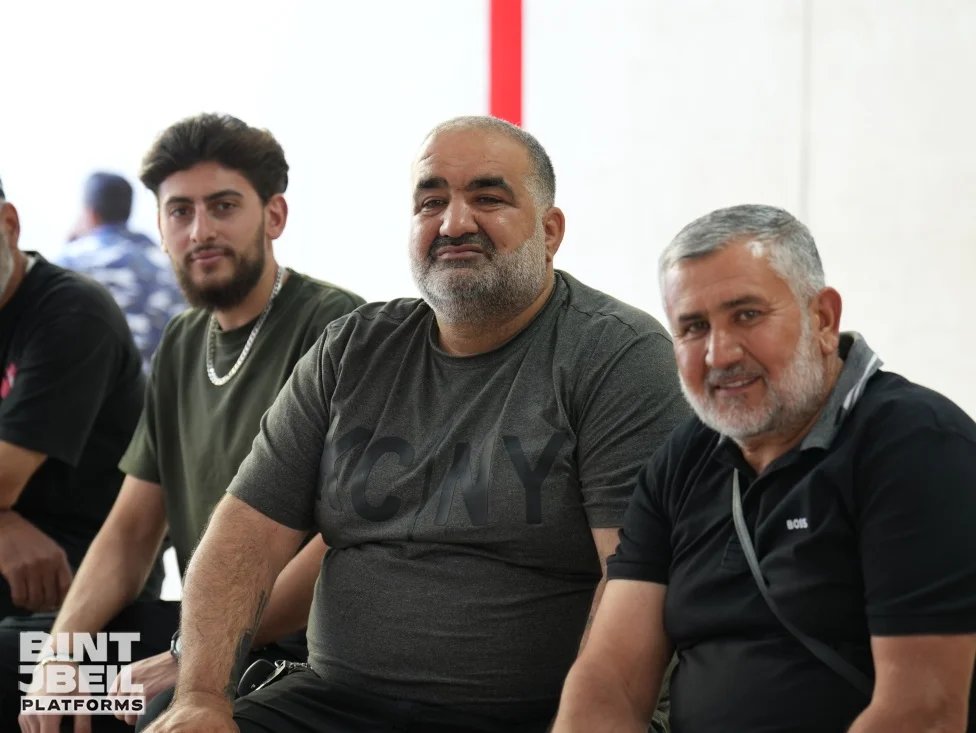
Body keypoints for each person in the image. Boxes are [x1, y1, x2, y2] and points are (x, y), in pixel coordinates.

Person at [142, 115, 689, 733]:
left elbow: (636, 579)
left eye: (488, 198)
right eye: (431, 202)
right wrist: (201, 694)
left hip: (533, 717)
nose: (453, 223)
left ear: (549, 230)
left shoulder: (617, 355)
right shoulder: (351, 349)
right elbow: (246, 533)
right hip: (335, 703)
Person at [553, 204, 976, 733]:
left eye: (747, 315)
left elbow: (923, 711)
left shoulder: (917, 446)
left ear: (823, 319)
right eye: (693, 327)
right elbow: (610, 680)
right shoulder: (682, 460)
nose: (719, 353)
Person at [13, 114, 365, 733]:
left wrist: (189, 657)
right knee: (18, 665)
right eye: (180, 211)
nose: (200, 231)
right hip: (202, 632)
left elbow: (344, 542)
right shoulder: (182, 340)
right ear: (160, 226)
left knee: (149, 711)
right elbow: (130, 532)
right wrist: (61, 653)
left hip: (298, 651)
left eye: (223, 206)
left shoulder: (337, 329)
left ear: (274, 215)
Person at [0, 175, 149, 621]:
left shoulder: (72, 310)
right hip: (16, 538)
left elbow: (4, 479)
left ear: (10, 225)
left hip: (79, 565)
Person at [57, 172, 185, 372]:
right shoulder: (167, 261)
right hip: (168, 383)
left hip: (101, 384)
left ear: (90, 213)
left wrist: (70, 243)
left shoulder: (71, 261)